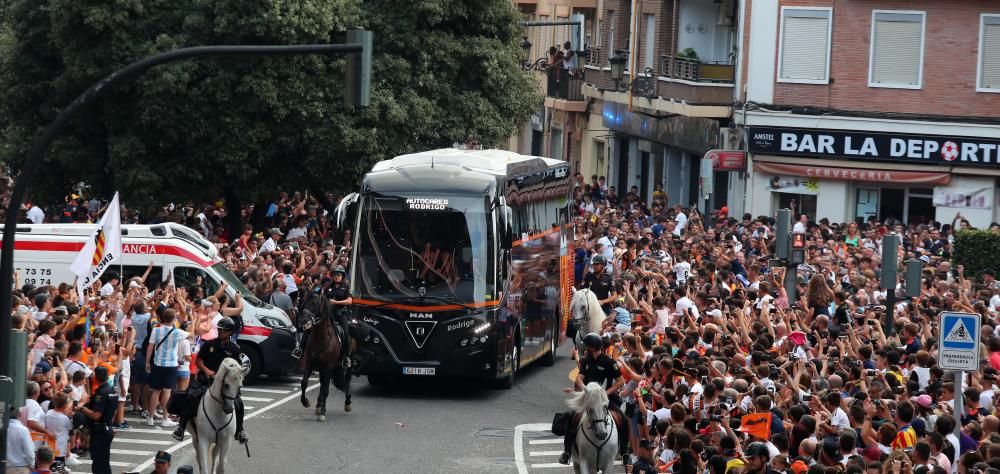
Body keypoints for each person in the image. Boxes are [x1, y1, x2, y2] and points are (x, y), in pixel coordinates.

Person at [173, 317, 248, 444]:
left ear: (230, 332)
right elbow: (198, 361)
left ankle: (240, 430)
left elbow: (238, 369)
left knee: (239, 402)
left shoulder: (235, 349)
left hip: (225, 383)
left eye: (223, 330)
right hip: (206, 379)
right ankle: (181, 426)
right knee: (190, 396)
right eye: (219, 329)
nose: (220, 332)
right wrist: (207, 370)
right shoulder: (209, 344)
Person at [558, 333, 628, 465]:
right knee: (572, 417)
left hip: (606, 398)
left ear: (592, 347)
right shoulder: (585, 361)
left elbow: (620, 382)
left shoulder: (610, 362)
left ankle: (625, 453)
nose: (586, 349)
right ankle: (567, 452)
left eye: (587, 347)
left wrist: (604, 393)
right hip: (589, 397)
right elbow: (580, 377)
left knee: (622, 419)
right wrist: (581, 385)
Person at [79, 366, 117, 474]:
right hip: (107, 428)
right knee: (104, 460)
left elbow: (96, 415)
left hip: (100, 431)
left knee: (98, 461)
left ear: (95, 377)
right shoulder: (112, 390)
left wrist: (82, 408)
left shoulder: (101, 393)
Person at [6, 408, 35, 474]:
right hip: (20, 469)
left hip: (5, 467)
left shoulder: (3, 428)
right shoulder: (23, 430)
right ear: (19, 414)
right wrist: (32, 465)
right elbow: (29, 452)